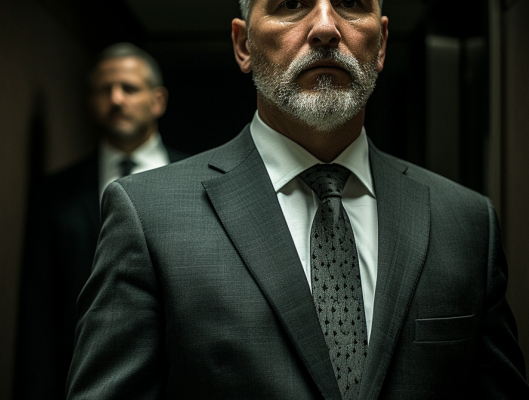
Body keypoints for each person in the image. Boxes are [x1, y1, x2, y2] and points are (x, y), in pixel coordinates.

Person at [66, 1, 529, 399]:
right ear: (244, 44)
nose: (326, 27)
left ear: (382, 43)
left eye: (350, 3)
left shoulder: (466, 223)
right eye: (290, 4)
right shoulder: (149, 217)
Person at [15, 43, 187, 399]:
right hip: (81, 376)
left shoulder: (197, 180)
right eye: (103, 90)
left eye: (129, 88)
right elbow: (37, 311)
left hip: (182, 375)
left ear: (158, 100)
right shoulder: (54, 195)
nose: (117, 99)